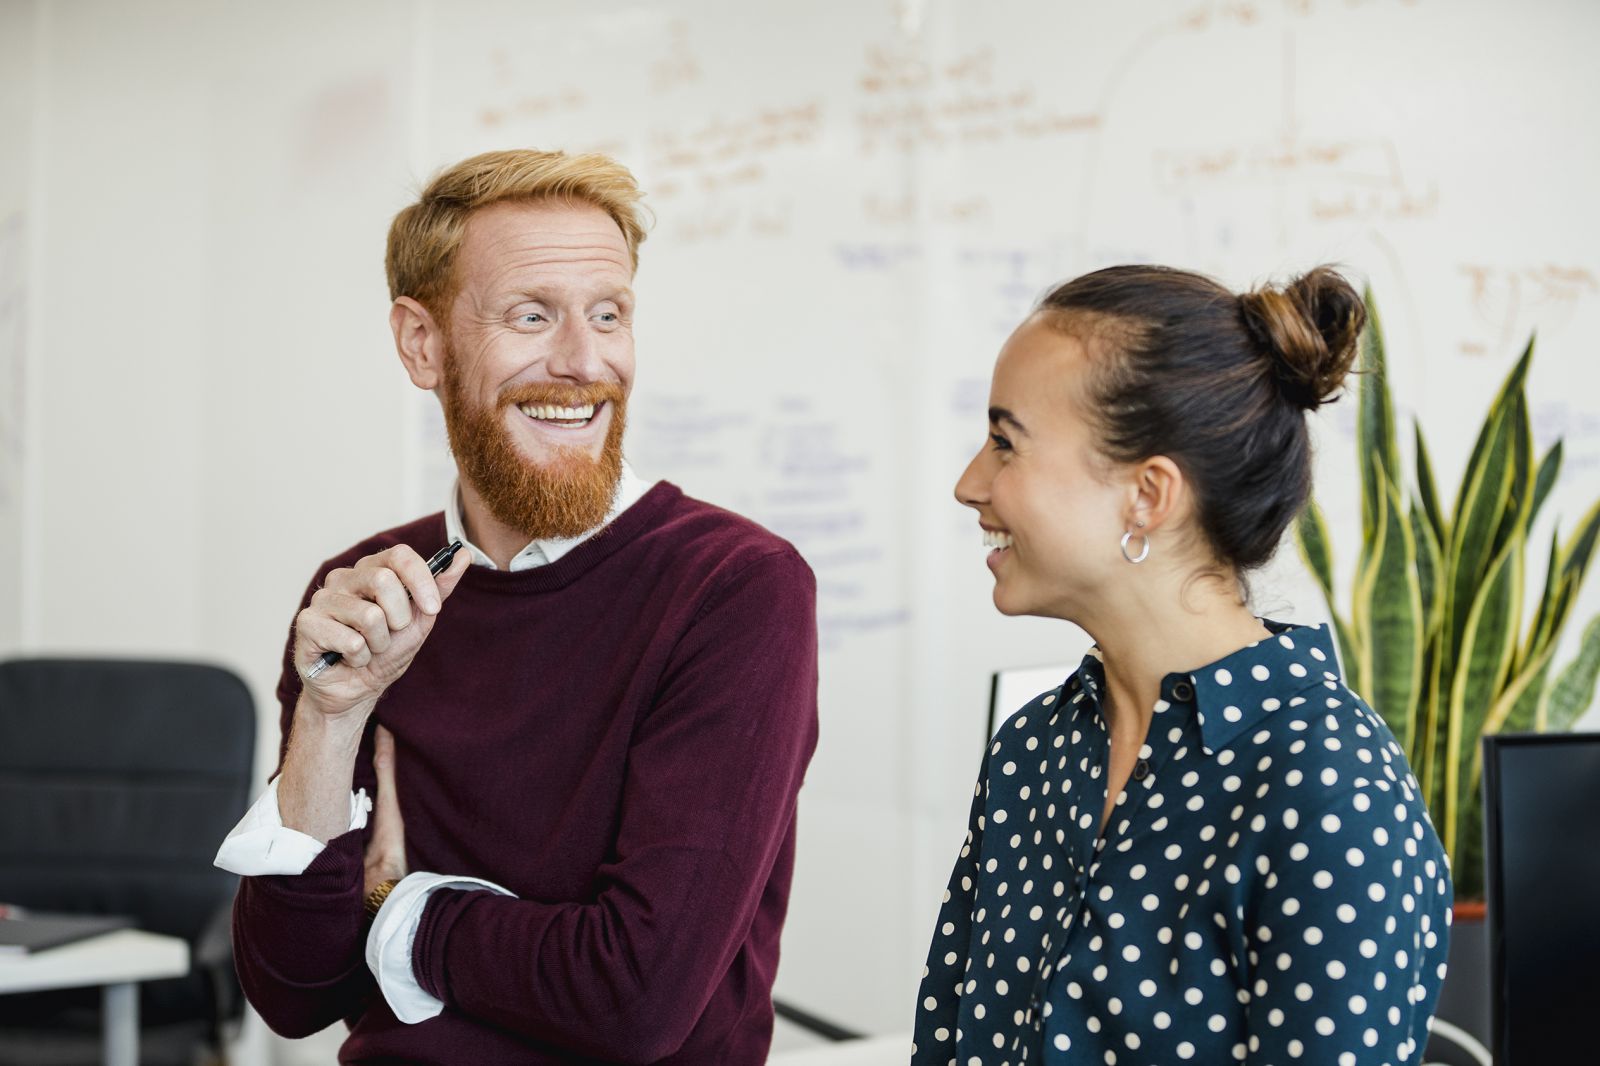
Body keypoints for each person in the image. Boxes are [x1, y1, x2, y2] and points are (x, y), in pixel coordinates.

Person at [214, 149, 819, 1064]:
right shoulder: (367, 595)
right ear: (423, 344)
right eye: (531, 316)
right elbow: (293, 993)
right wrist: (331, 725)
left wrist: (399, 907)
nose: (585, 363)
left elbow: (635, 999)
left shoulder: (733, 587)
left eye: (608, 314)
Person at [912, 265, 1452, 1064]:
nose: (970, 484)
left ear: (1148, 495)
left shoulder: (1329, 788)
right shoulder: (1031, 752)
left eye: (1004, 443)